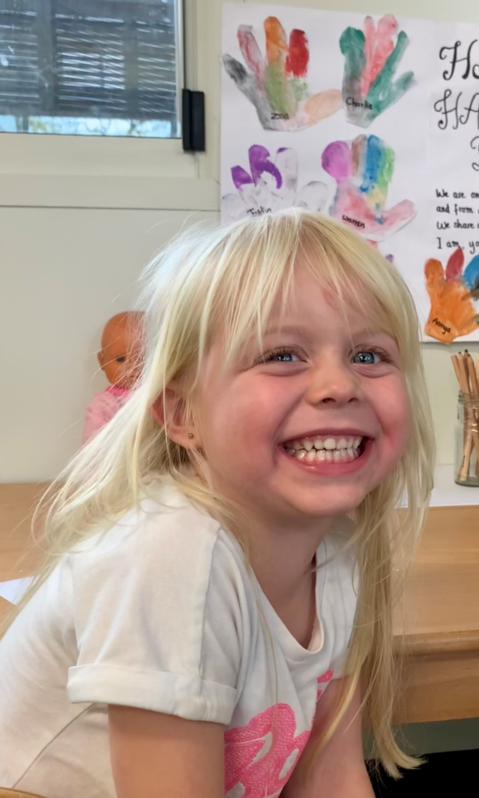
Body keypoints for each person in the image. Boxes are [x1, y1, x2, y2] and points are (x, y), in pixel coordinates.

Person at [0, 210, 434, 798]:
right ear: (181, 415)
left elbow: (329, 775)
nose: (340, 384)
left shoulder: (337, 549)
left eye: (369, 355)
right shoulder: (170, 556)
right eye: (282, 354)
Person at [83, 310, 145, 444]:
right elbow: (92, 453)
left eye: (143, 358)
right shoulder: (104, 406)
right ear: (102, 361)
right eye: (121, 359)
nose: (133, 369)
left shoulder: (167, 395)